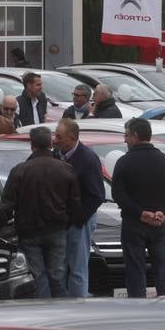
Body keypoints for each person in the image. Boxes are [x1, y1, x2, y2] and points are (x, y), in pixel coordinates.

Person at [0, 126, 80, 299]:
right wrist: (67, 222)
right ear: (50, 144)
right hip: (57, 229)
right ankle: (61, 312)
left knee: (35, 276)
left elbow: (8, 204)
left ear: (32, 145)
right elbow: (74, 203)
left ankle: (39, 312)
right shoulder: (66, 169)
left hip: (29, 230)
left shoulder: (20, 170)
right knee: (58, 276)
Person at [110, 118, 165, 298]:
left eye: (127, 136)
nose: (125, 140)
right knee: (163, 272)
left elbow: (118, 194)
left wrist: (140, 213)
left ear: (135, 136)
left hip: (133, 224)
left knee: (135, 272)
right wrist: (163, 212)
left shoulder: (124, 162)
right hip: (160, 225)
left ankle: (139, 311)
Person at [56, 117, 104, 298]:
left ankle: (78, 306)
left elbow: (97, 195)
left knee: (77, 268)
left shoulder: (88, 159)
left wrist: (77, 220)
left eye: (59, 136)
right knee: (59, 266)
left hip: (79, 221)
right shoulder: (57, 154)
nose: (56, 139)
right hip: (62, 221)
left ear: (73, 137)